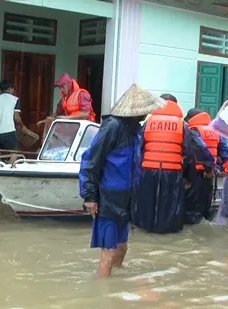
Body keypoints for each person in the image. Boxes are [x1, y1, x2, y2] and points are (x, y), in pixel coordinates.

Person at [79, 84, 166, 278]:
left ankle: (115, 288)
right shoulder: (113, 127)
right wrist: (90, 196)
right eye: (146, 111)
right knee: (108, 253)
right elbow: (90, 161)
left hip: (126, 199)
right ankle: (102, 296)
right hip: (108, 198)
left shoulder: (135, 130)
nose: (147, 114)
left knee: (122, 249)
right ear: (137, 111)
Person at [135, 97, 193, 234]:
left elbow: (138, 147)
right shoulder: (182, 124)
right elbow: (189, 153)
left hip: (148, 170)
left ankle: (146, 228)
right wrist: (187, 176)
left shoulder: (148, 122)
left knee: (147, 202)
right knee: (170, 205)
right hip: (172, 171)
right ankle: (167, 232)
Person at [184, 108, 228, 224]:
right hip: (210, 175)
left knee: (191, 210)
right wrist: (222, 169)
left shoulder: (193, 130)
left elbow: (200, 149)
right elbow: (224, 152)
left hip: (195, 174)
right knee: (205, 208)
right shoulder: (215, 131)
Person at [0, 79, 23, 151]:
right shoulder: (15, 99)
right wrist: (22, 126)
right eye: (13, 89)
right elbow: (17, 118)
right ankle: (9, 163)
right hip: (9, 131)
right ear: (10, 89)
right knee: (13, 153)